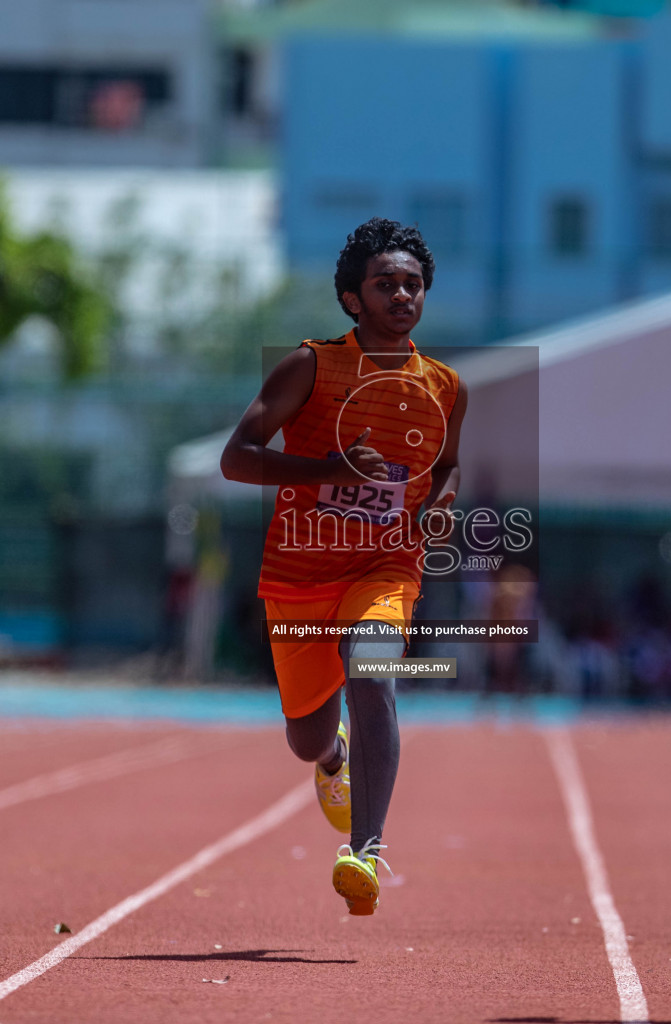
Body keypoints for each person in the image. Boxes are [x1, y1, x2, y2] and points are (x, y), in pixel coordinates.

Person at [221, 217, 466, 916]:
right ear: (353, 299)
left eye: (413, 284)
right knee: (304, 738)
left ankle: (365, 851)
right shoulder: (310, 366)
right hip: (298, 576)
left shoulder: (445, 386)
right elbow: (236, 457)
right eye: (385, 284)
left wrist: (443, 503)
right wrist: (327, 467)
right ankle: (333, 759)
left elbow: (446, 465)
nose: (401, 295)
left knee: (374, 670)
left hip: (386, 568)